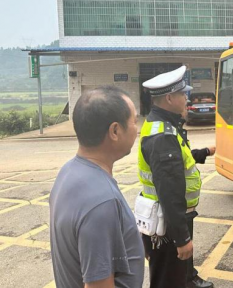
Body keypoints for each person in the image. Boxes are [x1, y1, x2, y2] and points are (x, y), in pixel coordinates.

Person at [50, 86, 144, 288]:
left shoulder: (68, 172)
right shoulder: (102, 201)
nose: (138, 129)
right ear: (115, 131)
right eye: (134, 122)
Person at [138, 66, 212, 288]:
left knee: (171, 277)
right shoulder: (162, 135)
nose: (186, 97)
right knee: (168, 281)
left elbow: (181, 162)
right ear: (169, 98)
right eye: (183, 94)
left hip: (166, 219)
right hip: (167, 223)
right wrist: (182, 238)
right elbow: (169, 191)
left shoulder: (164, 126)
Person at [181, 106, 216, 288]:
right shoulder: (167, 132)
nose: (186, 105)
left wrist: (205, 152)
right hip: (178, 204)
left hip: (186, 204)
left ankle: (188, 277)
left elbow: (185, 158)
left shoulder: (176, 130)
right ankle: (188, 279)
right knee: (182, 247)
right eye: (182, 97)